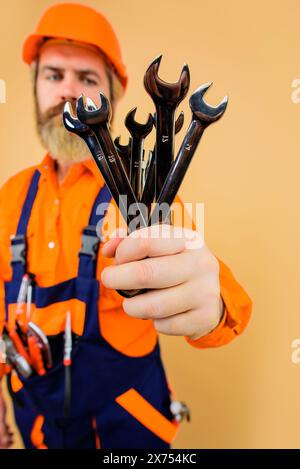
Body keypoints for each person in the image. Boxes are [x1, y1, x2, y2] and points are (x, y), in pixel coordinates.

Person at [0, 3, 252, 449]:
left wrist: (210, 305)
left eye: (88, 79)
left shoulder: (138, 196)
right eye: (54, 75)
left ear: (113, 99)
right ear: (36, 86)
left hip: (127, 439)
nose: (68, 92)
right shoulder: (11, 196)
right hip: (36, 431)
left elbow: (194, 265)